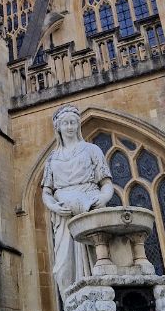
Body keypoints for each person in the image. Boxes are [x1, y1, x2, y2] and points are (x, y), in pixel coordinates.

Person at [42, 104, 114, 300]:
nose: (70, 126)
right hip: (64, 215)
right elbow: (46, 192)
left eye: (73, 122)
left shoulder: (91, 150)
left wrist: (103, 198)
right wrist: (53, 205)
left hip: (90, 205)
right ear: (58, 127)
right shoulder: (52, 159)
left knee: (98, 259)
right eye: (65, 123)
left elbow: (106, 183)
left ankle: (102, 305)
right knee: (63, 268)